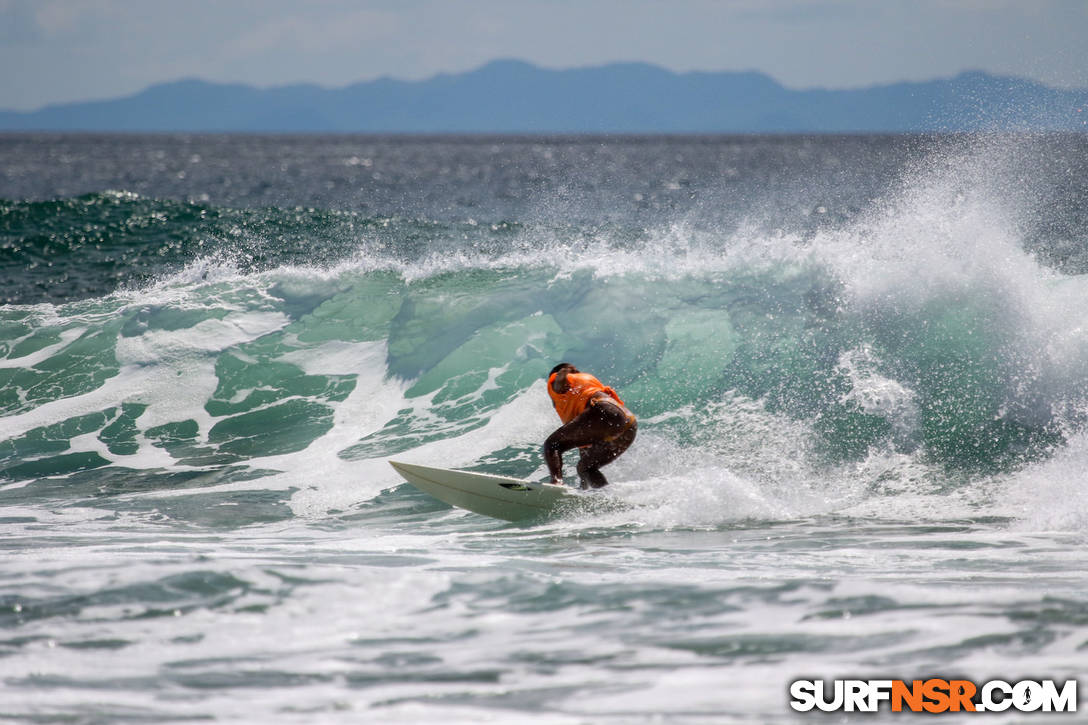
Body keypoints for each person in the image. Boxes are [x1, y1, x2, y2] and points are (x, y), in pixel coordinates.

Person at [543, 362, 637, 489]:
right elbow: (585, 446)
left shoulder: (561, 380)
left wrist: (561, 375)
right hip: (628, 425)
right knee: (586, 468)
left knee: (552, 444)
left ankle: (556, 484)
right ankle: (604, 498)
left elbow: (559, 382)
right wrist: (583, 489)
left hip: (604, 411)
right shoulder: (587, 386)